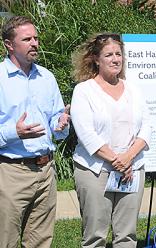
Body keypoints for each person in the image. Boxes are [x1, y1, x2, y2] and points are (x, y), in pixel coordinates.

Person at [70, 33, 151, 247]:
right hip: (95, 171)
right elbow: (87, 134)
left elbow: (147, 127)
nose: (116, 59)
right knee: (95, 236)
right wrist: (118, 161)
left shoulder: (133, 88)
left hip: (132, 169)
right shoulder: (84, 91)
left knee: (127, 236)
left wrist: (128, 159)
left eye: (118, 54)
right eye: (109, 55)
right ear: (96, 59)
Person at [0, 16, 70, 247]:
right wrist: (14, 132)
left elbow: (55, 125)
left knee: (40, 242)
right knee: (5, 240)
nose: (35, 44)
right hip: (11, 173)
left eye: (36, 38)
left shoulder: (47, 78)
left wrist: (61, 126)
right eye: (27, 39)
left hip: (45, 171)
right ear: (9, 45)